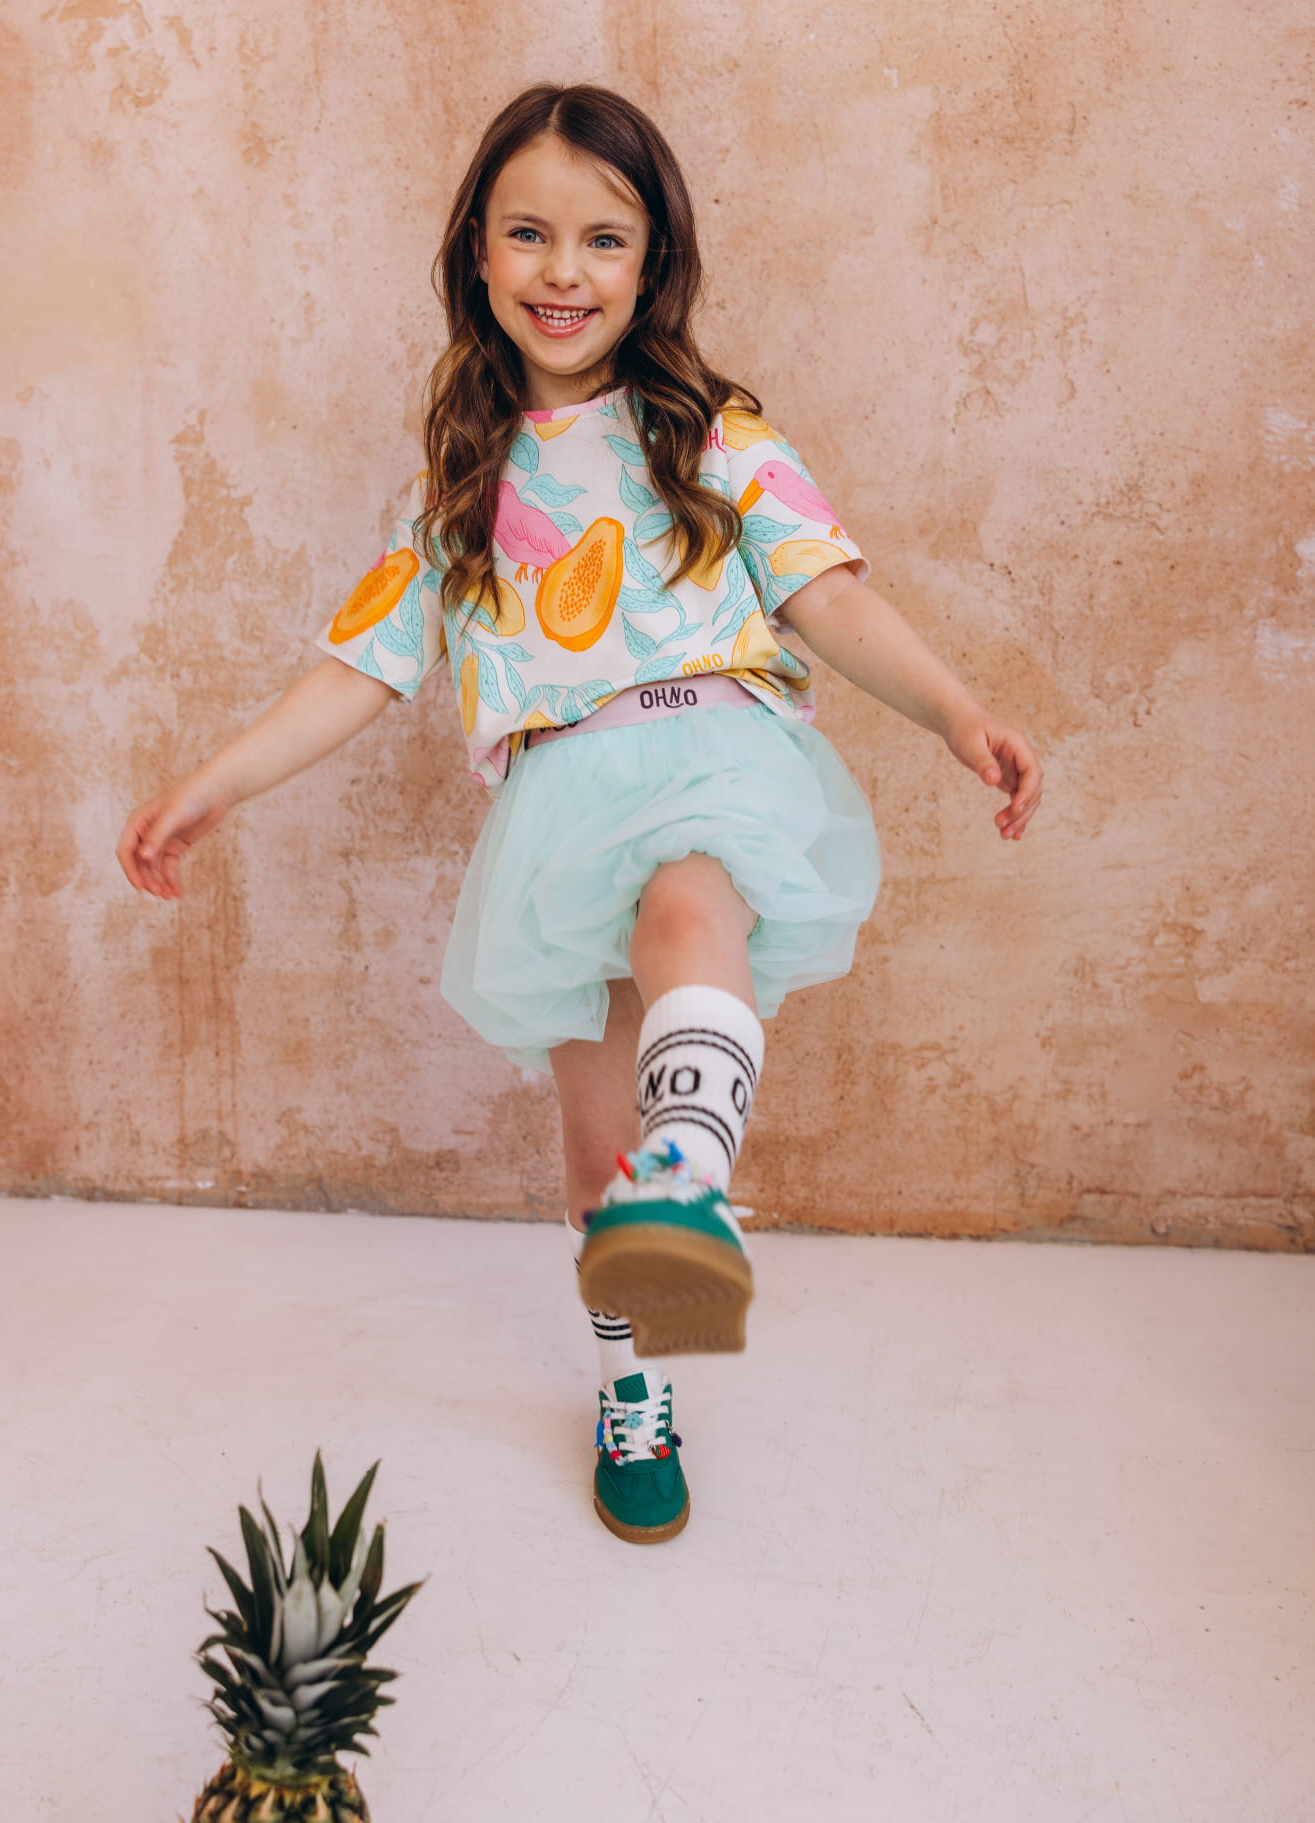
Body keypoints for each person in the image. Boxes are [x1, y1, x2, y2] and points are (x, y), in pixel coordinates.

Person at [118, 82, 1043, 1546]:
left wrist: (954, 712)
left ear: (651, 261)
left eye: (604, 240)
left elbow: (825, 595)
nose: (564, 271)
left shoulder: (710, 432)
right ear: (477, 255)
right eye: (529, 235)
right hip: (560, 801)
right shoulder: (461, 484)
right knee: (592, 1150)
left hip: (706, 748)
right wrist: (207, 786)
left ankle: (690, 1182)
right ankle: (637, 1380)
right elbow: (363, 666)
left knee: (690, 910)